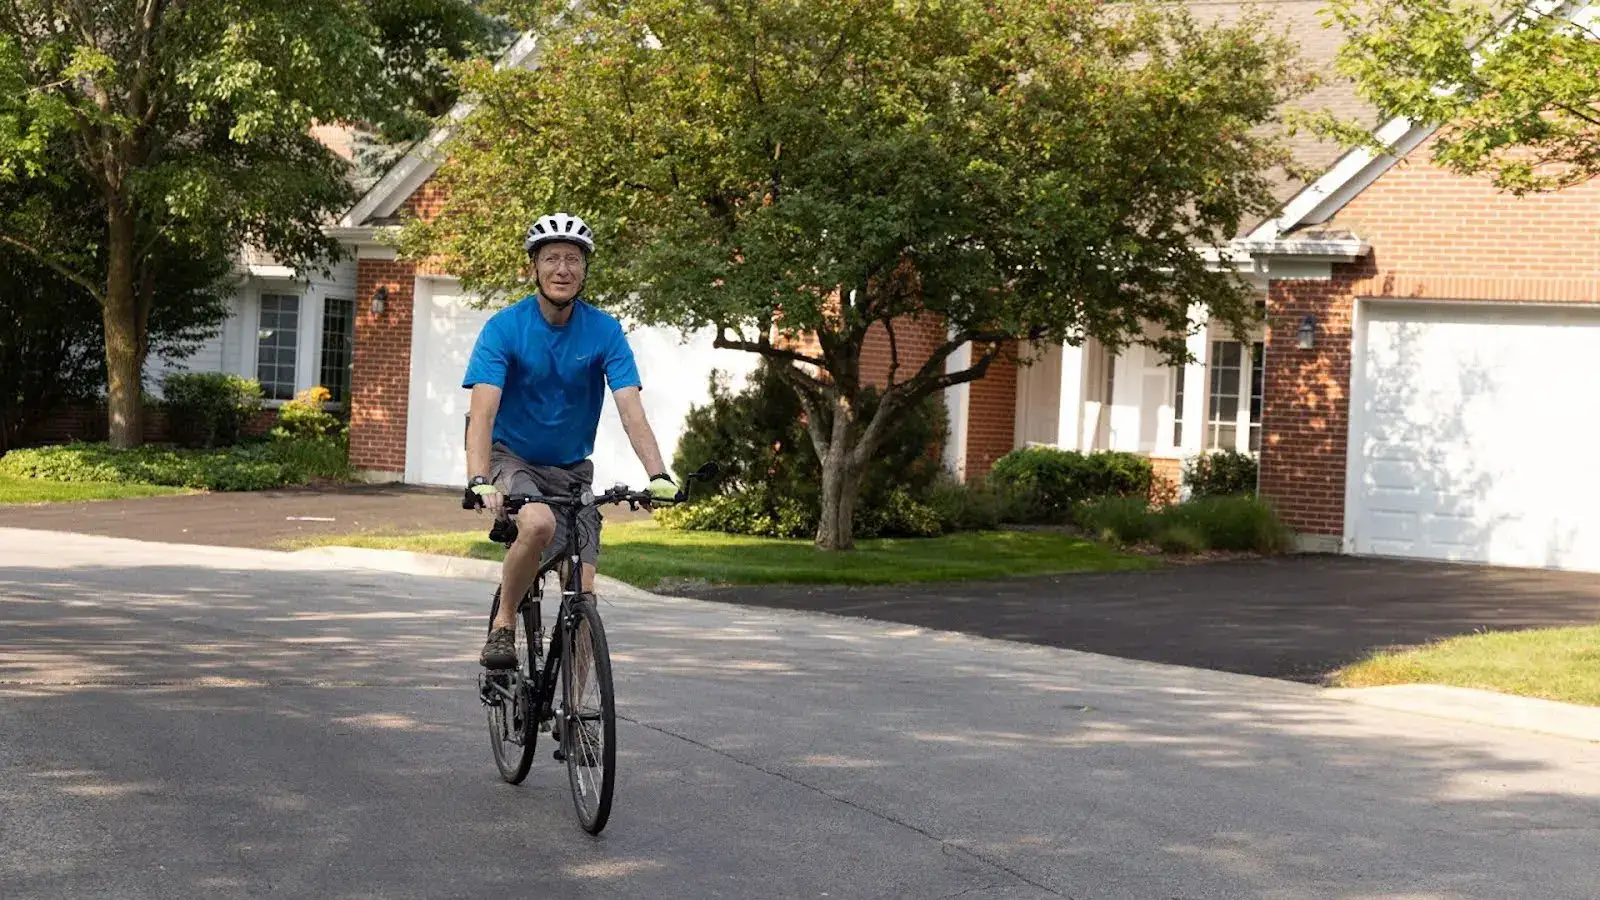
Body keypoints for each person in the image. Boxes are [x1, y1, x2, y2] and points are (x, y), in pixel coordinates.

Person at [461, 211, 677, 669]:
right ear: (534, 267)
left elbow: (630, 409)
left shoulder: (604, 330)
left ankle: (577, 725)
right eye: (552, 258)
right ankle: (504, 623)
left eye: (573, 259)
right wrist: (479, 478)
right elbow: (483, 411)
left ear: (585, 269)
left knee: (584, 594)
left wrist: (657, 474)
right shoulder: (505, 328)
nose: (563, 269)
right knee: (537, 525)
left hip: (572, 469)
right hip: (513, 457)